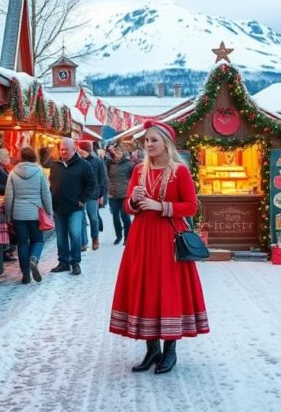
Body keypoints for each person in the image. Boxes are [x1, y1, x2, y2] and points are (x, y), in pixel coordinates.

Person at [110, 121, 209, 375]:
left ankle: (170, 350)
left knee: (168, 289)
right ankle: (152, 349)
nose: (149, 144)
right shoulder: (138, 170)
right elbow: (128, 207)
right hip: (141, 237)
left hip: (168, 239)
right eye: (146, 140)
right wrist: (133, 201)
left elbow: (191, 206)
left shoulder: (180, 171)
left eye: (154, 140)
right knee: (145, 287)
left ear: (166, 143)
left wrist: (160, 206)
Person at [4, 147, 53, 284]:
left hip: (18, 214)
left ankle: (25, 273)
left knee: (22, 243)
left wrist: (8, 215)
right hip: (35, 213)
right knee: (38, 240)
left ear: (21, 157)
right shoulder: (39, 171)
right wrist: (49, 211)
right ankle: (34, 258)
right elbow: (46, 193)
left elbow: (8, 196)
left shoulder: (13, 173)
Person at [48, 138, 95, 275]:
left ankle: (75, 263)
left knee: (75, 234)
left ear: (74, 149)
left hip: (75, 207)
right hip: (58, 207)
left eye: (66, 150)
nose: (63, 152)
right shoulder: (55, 165)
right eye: (61, 149)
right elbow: (52, 183)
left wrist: (82, 199)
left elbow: (91, 183)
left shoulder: (84, 165)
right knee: (61, 236)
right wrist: (53, 196)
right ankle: (63, 262)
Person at [77, 141, 108, 251]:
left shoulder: (98, 161)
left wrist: (101, 195)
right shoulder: (78, 161)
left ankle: (95, 238)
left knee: (93, 218)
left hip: (93, 194)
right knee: (81, 219)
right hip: (80, 194)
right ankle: (83, 242)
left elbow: (102, 179)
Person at [107, 144, 135, 245]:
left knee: (125, 217)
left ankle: (127, 238)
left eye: (119, 151)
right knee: (115, 216)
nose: (117, 153)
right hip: (113, 195)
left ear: (122, 152)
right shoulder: (108, 164)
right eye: (115, 151)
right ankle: (118, 236)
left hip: (125, 194)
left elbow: (134, 179)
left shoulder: (129, 164)